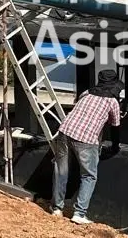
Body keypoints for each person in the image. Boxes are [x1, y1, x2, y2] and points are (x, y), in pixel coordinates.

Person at [51, 71, 123, 225]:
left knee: (61, 170)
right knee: (89, 176)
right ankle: (79, 213)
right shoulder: (113, 102)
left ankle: (56, 208)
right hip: (86, 139)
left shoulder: (86, 93)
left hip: (65, 131)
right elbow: (115, 128)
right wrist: (115, 147)